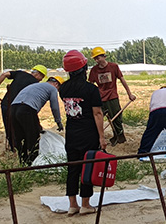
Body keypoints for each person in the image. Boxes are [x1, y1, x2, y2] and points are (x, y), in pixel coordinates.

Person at [60, 50, 106, 216]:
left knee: (72, 168)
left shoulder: (63, 88)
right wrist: (102, 137)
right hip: (88, 133)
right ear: (84, 67)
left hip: (71, 133)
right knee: (87, 167)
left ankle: (72, 204)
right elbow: (97, 114)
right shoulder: (90, 89)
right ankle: (85, 204)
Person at [0, 65, 46, 151]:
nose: (41, 80)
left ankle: (13, 147)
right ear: (38, 74)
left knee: (9, 127)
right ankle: (19, 148)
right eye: (42, 77)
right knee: (19, 128)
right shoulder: (35, 84)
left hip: (6, 104)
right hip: (19, 107)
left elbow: (4, 74)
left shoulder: (20, 73)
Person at [10, 76, 64, 165]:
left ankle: (23, 162)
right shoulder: (52, 89)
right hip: (27, 109)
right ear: (56, 84)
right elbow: (54, 107)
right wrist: (58, 121)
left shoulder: (36, 86)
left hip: (13, 108)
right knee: (34, 138)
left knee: (20, 137)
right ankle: (33, 162)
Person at [88, 47, 136, 146]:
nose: (97, 60)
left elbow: (122, 80)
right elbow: (90, 84)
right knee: (99, 118)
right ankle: (101, 138)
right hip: (100, 98)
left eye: (98, 58)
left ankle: (119, 136)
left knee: (116, 118)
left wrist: (129, 94)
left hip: (112, 97)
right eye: (95, 59)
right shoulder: (94, 70)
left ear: (104, 56)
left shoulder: (113, 67)